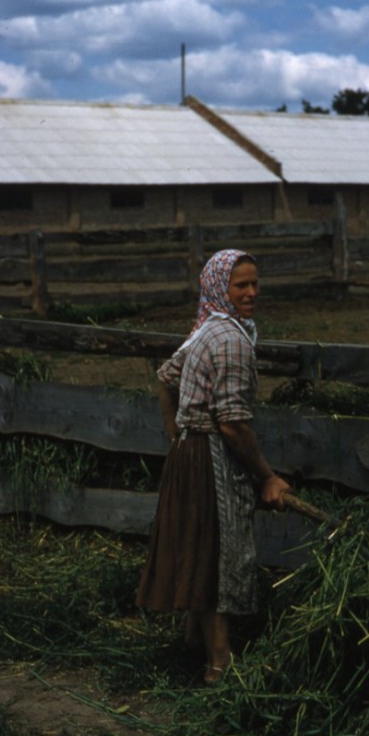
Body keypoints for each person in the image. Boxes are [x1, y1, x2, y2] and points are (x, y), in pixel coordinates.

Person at [136, 249, 290, 683]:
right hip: (208, 459)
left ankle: (190, 648)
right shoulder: (230, 340)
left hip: (192, 452)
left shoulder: (206, 331)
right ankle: (218, 667)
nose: (251, 293)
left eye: (255, 283)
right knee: (216, 559)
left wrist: (177, 440)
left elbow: (165, 379)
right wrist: (268, 476)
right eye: (240, 285)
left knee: (197, 550)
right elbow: (233, 425)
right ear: (219, 288)